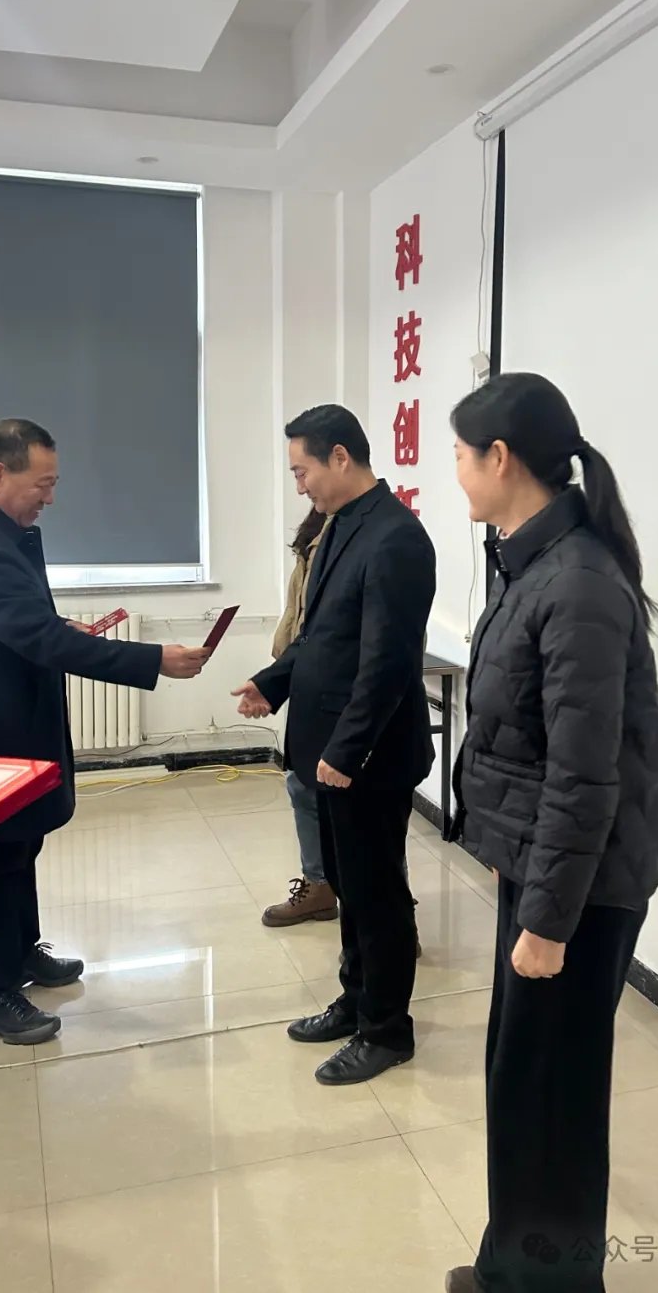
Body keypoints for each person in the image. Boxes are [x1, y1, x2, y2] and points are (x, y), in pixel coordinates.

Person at [443, 373, 658, 1293]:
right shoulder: (536, 561)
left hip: (581, 884)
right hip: (548, 864)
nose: (457, 471)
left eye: (461, 455)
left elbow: (585, 775)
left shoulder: (575, 581)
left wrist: (546, 921)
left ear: (501, 459)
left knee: (554, 1096)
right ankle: (513, 1270)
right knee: (525, 1080)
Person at [0, 419, 210, 1045]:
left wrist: (57, 628)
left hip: (10, 719)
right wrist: (153, 660)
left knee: (20, 844)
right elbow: (40, 639)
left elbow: (24, 624)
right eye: (42, 484)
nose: (50, 498)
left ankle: (19, 950)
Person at [234, 404, 436, 1086]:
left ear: (341, 457)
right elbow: (321, 636)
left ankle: (387, 1030)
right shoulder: (343, 525)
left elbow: (387, 663)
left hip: (367, 758)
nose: (300, 485)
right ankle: (355, 1000)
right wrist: (272, 682)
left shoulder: (396, 538)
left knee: (378, 897)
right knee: (349, 888)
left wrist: (347, 752)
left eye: (303, 470)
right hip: (330, 751)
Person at [261, 502, 338, 927]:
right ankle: (318, 886)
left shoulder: (366, 536)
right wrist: (278, 675)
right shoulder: (314, 535)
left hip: (343, 689)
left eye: (304, 472)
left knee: (369, 804)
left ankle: (394, 914)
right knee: (302, 784)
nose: (301, 485)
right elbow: (300, 615)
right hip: (306, 677)